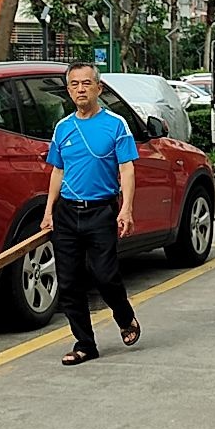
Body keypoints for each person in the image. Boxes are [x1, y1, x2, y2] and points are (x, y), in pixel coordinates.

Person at [42, 62, 142, 366]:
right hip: (67, 213)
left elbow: (127, 168)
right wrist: (49, 211)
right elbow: (57, 171)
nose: (81, 89)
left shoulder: (116, 124)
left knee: (105, 276)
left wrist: (126, 208)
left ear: (98, 88)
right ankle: (85, 344)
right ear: (68, 90)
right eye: (74, 84)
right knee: (69, 282)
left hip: (101, 211)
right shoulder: (63, 127)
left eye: (86, 83)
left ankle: (124, 316)